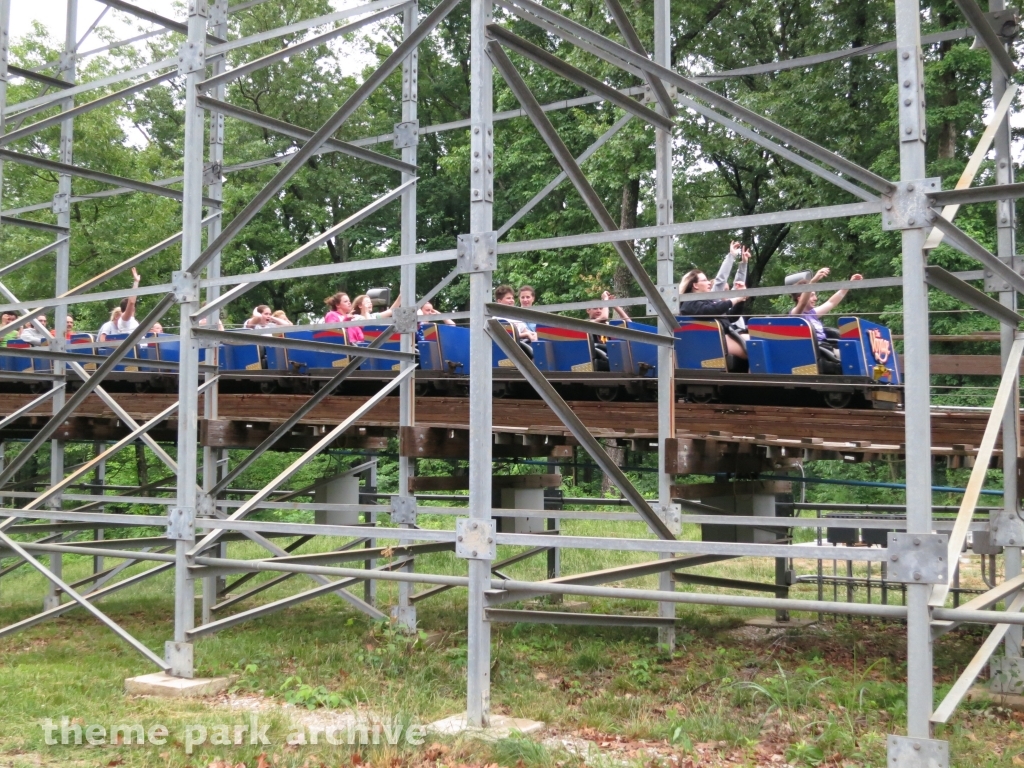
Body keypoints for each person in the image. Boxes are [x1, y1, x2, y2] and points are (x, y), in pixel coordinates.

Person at [790, 268, 863, 373]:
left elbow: (831, 302)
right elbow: (801, 304)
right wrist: (813, 282)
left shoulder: (812, 313)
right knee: (850, 359)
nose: (815, 298)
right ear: (799, 298)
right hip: (816, 351)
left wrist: (849, 284)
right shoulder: (796, 315)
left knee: (855, 353)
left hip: (827, 348)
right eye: (811, 295)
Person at [678, 269, 748, 360]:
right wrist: (736, 299)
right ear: (695, 285)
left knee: (763, 343)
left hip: (728, 335)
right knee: (756, 351)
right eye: (704, 280)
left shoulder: (710, 301)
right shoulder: (689, 303)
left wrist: (741, 299)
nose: (709, 283)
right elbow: (711, 310)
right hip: (713, 341)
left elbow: (731, 317)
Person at [586, 291, 630, 370]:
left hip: (610, 353)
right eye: (595, 308)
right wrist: (605, 300)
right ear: (588, 310)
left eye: (601, 308)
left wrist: (614, 305)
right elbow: (604, 317)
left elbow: (629, 323)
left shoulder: (608, 324)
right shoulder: (588, 323)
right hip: (599, 354)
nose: (599, 311)